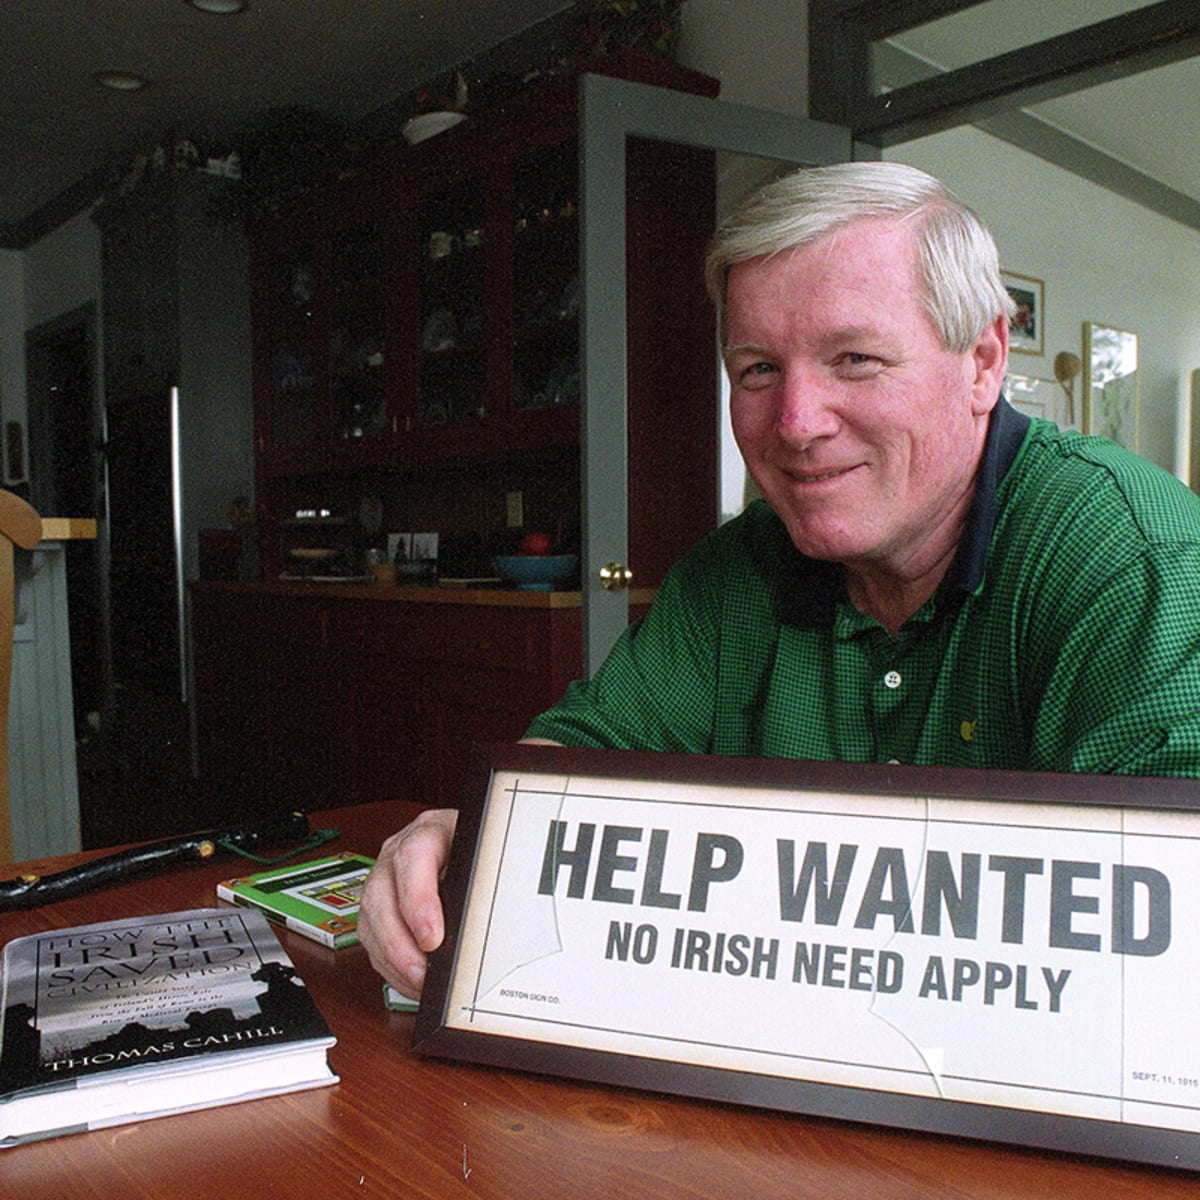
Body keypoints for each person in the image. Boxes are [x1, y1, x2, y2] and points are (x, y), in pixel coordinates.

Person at [359, 161, 1200, 998]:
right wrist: (478, 832)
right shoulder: (738, 568)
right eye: (758, 369)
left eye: (856, 358)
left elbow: (1170, 950)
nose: (795, 425)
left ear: (983, 362)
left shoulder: (1128, 559)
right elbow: (586, 756)